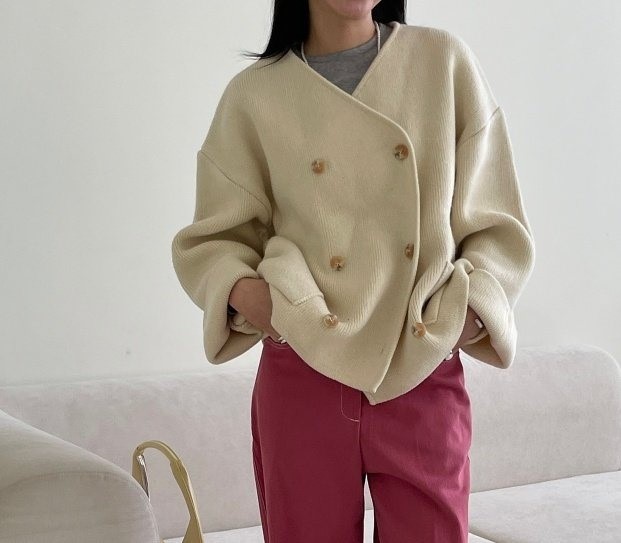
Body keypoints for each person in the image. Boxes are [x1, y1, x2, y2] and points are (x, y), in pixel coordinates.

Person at [171, 1, 536, 541]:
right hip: (304, 370)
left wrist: (466, 316)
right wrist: (265, 305)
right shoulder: (254, 95)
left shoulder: (442, 62)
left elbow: (497, 224)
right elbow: (214, 241)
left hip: (419, 367)